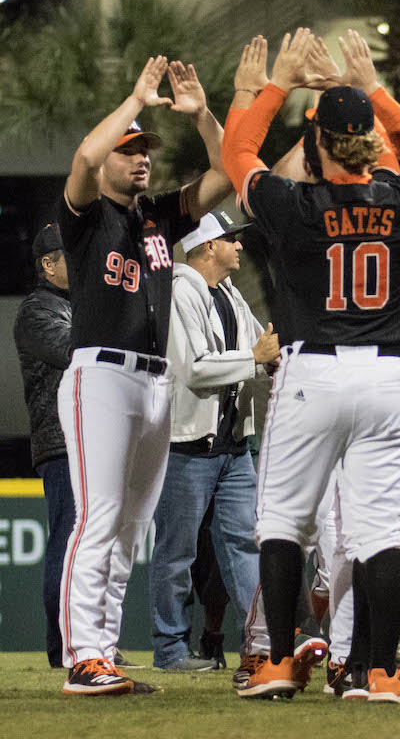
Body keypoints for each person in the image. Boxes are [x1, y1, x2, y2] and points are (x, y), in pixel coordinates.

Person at [222, 28, 400, 703]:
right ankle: (376, 673)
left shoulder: (295, 206)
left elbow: (238, 153)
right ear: (369, 141)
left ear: (317, 141)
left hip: (313, 371)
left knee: (284, 521)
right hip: (387, 373)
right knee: (380, 532)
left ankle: (279, 662)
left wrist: (274, 85)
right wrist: (372, 87)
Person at [56, 58, 232, 696]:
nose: (140, 159)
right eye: (128, 150)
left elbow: (229, 174)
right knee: (98, 517)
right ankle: (83, 656)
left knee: (131, 530)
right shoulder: (84, 215)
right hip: (100, 375)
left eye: (145, 151)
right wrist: (134, 102)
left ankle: (105, 652)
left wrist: (203, 115)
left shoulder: (155, 216)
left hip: (155, 382)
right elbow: (84, 156)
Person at [150, 211, 277, 671]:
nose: (238, 246)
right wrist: (255, 357)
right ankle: (170, 650)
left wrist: (269, 358)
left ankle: (264, 642)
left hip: (233, 445)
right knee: (176, 554)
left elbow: (261, 349)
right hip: (186, 446)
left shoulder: (228, 292)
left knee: (247, 543)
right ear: (207, 246)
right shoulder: (180, 291)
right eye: (230, 239)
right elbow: (194, 367)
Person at [14, 224, 72, 669]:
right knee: (68, 544)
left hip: (90, 439)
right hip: (62, 443)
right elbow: (77, 350)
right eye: (70, 255)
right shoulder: (36, 310)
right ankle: (63, 647)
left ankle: (92, 644)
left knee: (92, 547)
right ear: (48, 265)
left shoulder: (77, 304)